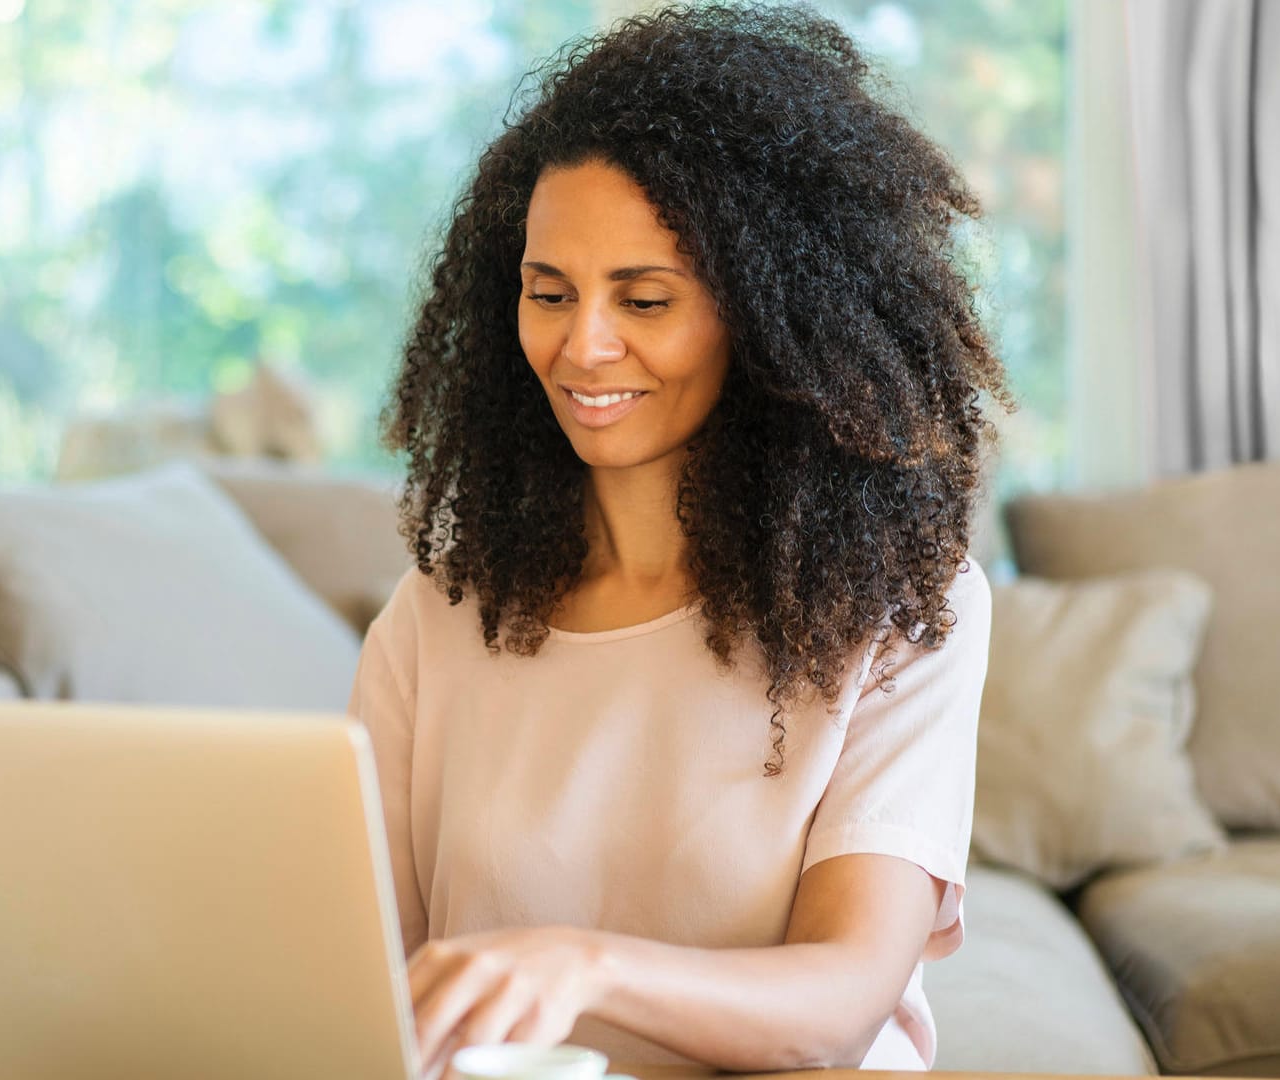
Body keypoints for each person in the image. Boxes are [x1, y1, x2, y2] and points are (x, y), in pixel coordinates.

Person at [348, 3, 1011, 1075]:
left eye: (645, 299)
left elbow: (842, 1000)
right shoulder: (439, 618)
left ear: (766, 315)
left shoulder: (895, 609)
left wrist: (588, 968)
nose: (582, 345)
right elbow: (358, 972)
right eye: (547, 292)